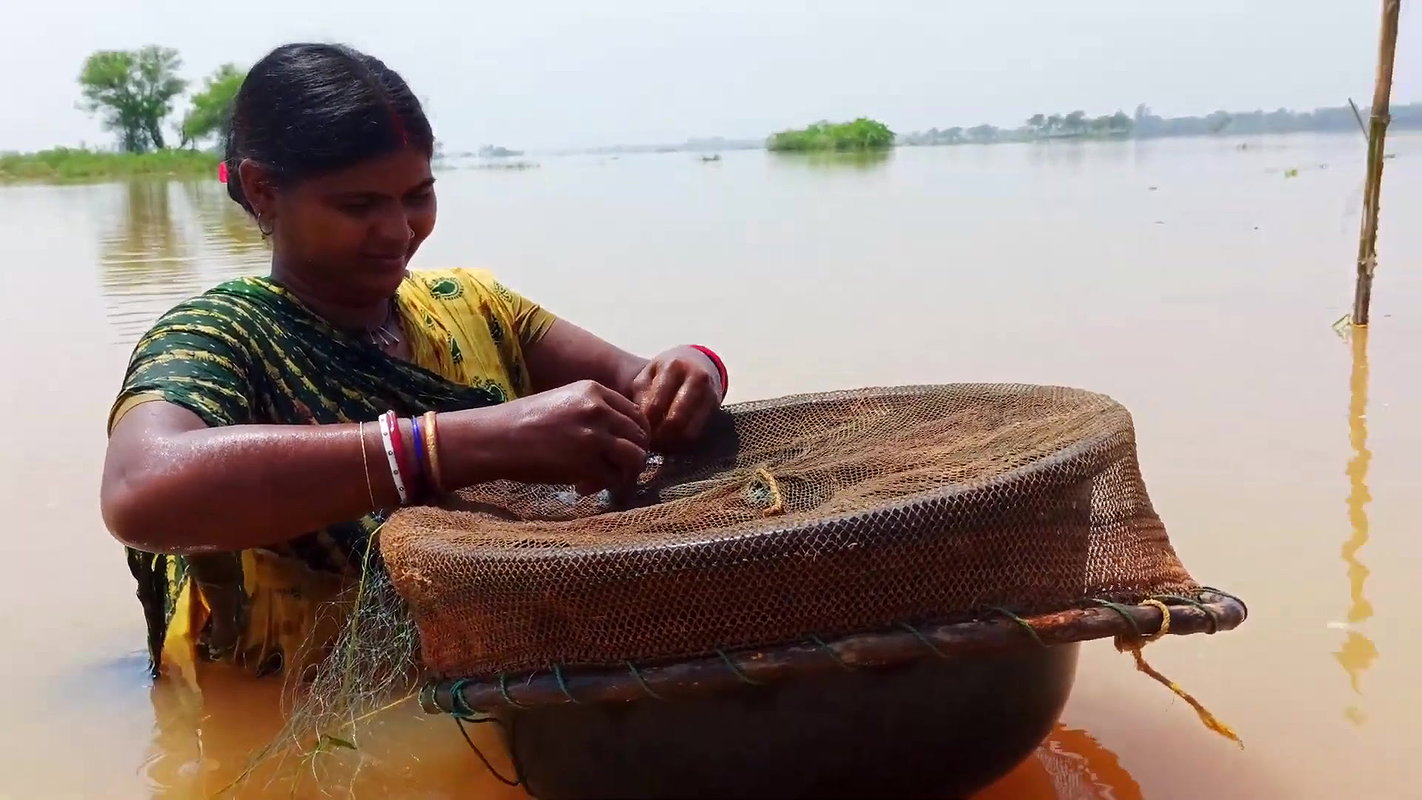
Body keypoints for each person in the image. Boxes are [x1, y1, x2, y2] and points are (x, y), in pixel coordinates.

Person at [99, 42, 728, 684]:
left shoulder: (474, 305)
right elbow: (140, 490)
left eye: (417, 196)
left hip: (520, 668)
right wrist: (451, 447)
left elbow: (639, 383)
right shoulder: (222, 336)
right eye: (358, 206)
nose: (400, 231)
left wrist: (693, 367)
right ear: (263, 189)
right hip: (318, 701)